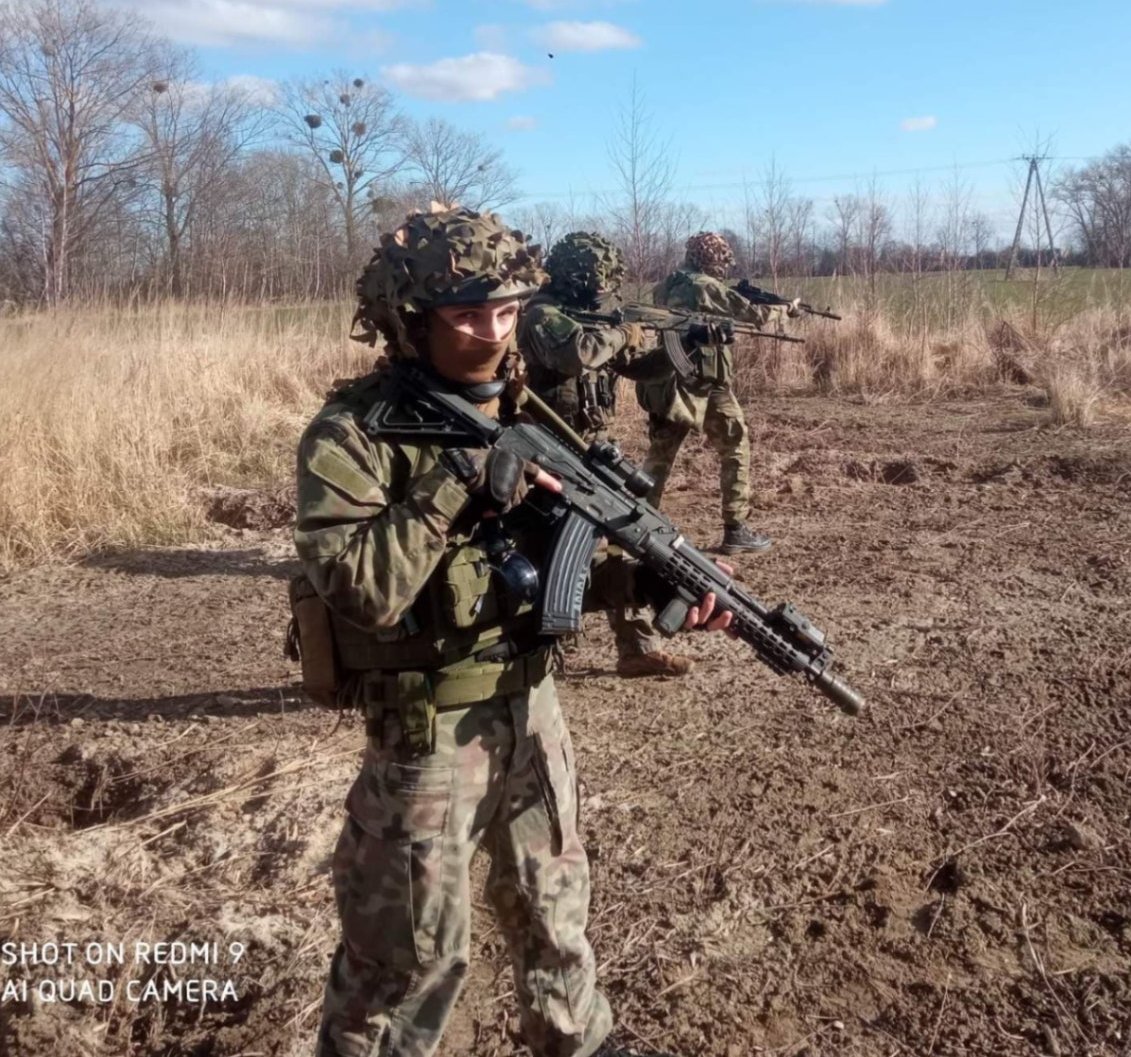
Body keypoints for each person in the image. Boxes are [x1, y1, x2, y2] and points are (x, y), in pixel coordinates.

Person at [295, 206, 731, 1057]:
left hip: (532, 703)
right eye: (466, 314)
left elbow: (536, 572)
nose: (491, 333)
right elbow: (360, 590)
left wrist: (640, 582)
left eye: (505, 311)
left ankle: (580, 1043)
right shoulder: (354, 432)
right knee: (409, 955)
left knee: (554, 912)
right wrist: (458, 481)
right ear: (409, 320)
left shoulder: (524, 408)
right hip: (427, 726)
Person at [519, 231, 694, 679]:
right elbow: (577, 354)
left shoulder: (595, 320)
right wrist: (621, 331)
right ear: (574, 278)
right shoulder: (542, 314)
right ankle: (537, 648)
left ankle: (637, 647)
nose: (603, 290)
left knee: (626, 533)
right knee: (551, 550)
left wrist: (687, 343)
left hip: (593, 448)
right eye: (596, 283)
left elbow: (638, 369)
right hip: (546, 450)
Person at [636, 230, 797, 554]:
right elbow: (755, 315)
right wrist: (786, 309)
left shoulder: (665, 286)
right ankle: (735, 527)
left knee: (660, 455)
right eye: (722, 260)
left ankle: (637, 521)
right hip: (704, 383)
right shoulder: (705, 287)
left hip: (671, 379)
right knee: (735, 444)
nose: (724, 267)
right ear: (712, 260)